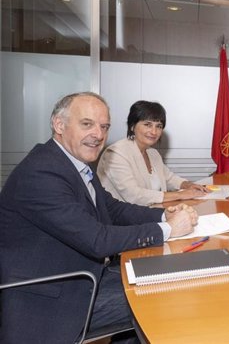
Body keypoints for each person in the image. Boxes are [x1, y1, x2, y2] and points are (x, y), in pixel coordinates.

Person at [0, 92, 198, 343]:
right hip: (52, 295)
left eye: (104, 127)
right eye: (87, 124)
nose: (98, 134)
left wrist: (163, 213)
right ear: (59, 125)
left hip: (88, 273)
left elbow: (113, 209)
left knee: (168, 275)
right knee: (164, 293)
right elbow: (97, 239)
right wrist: (167, 230)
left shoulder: (73, 162)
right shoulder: (42, 172)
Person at [98, 100, 207, 206]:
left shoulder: (153, 153)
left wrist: (188, 185)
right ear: (132, 126)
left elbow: (169, 178)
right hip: (122, 220)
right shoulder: (115, 153)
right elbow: (134, 196)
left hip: (150, 213)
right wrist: (180, 195)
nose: (154, 132)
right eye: (148, 125)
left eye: (158, 126)